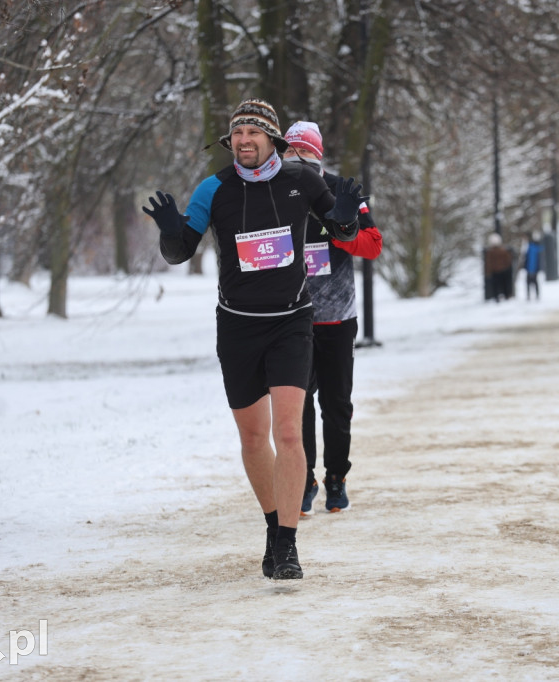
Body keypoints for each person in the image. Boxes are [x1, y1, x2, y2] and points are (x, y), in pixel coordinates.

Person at [143, 99, 365, 580]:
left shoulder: (302, 180)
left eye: (252, 132)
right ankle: (272, 525)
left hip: (291, 322)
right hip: (238, 326)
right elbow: (182, 250)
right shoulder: (214, 188)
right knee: (252, 437)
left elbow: (341, 230)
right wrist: (168, 233)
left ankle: (287, 546)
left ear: (273, 139)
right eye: (236, 133)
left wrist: (346, 218)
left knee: (288, 432)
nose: (243, 140)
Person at [280, 121, 383, 516]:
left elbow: (372, 246)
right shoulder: (275, 193)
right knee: (297, 406)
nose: (297, 162)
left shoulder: (341, 191)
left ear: (317, 156)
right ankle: (303, 479)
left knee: (337, 405)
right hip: (291, 317)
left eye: (303, 154)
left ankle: (336, 479)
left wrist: (343, 228)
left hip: (337, 318)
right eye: (289, 154)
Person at [484, 232, 514, 302]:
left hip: (496, 271)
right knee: (503, 284)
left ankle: (497, 296)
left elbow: (489, 263)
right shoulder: (502, 250)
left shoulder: (491, 252)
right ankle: (506, 296)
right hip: (502, 270)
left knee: (496, 285)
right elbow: (508, 260)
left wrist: (488, 271)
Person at [523, 232, 543, 301]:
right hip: (532, 268)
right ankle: (534, 295)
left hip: (532, 268)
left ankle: (532, 295)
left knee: (531, 282)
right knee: (533, 282)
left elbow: (532, 259)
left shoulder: (532, 247)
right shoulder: (535, 247)